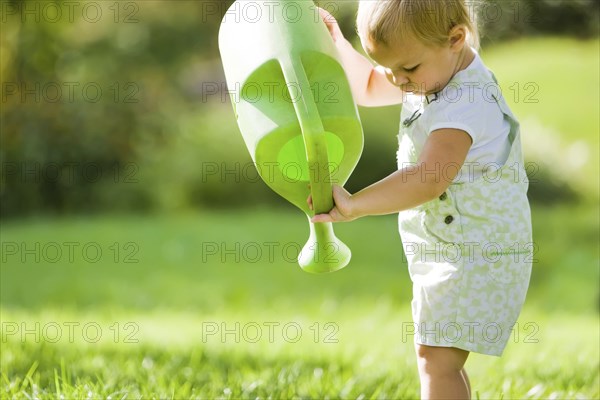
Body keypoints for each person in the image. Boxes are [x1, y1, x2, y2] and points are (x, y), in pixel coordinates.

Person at [308, 1, 533, 398]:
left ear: (455, 39)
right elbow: (367, 86)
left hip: (476, 254)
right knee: (438, 357)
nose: (398, 81)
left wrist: (356, 203)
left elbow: (428, 179)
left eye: (407, 69)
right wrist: (337, 42)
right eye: (391, 69)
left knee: (436, 357)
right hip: (452, 246)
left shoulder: (465, 103)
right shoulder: (433, 71)